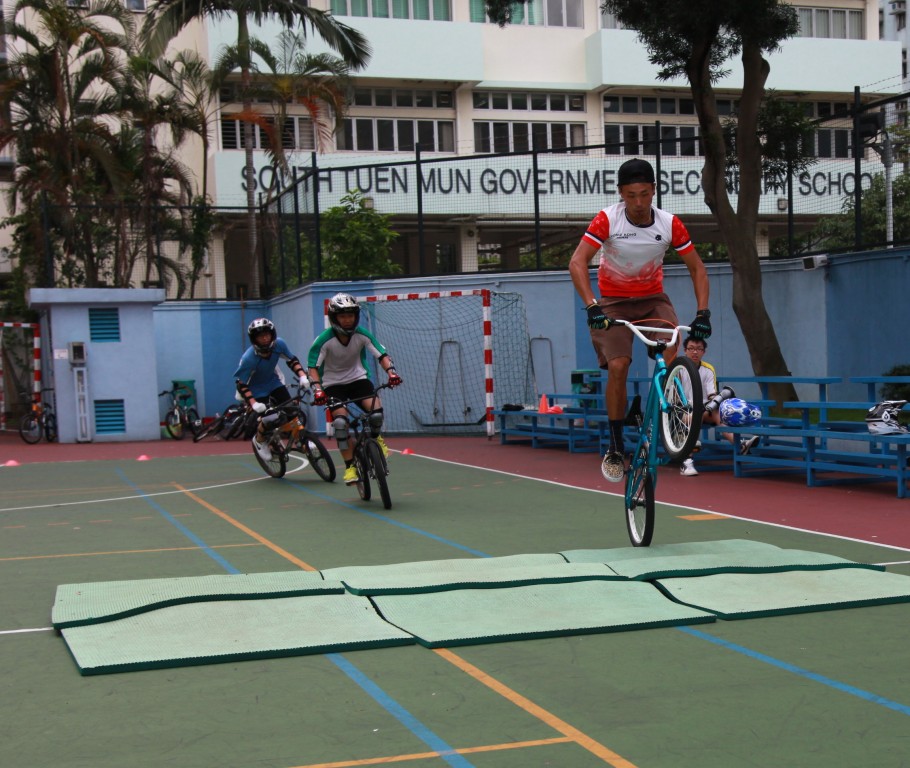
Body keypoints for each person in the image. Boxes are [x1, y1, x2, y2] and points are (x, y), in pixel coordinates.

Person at [569, 157, 711, 482]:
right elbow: (577, 262)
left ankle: (672, 419)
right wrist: (592, 306)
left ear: (654, 191)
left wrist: (703, 313)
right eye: (631, 195)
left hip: (653, 302)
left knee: (672, 353)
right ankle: (616, 444)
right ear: (621, 193)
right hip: (612, 304)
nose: (638, 203)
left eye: (644, 194)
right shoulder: (608, 219)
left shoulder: (669, 224)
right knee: (619, 366)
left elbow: (697, 268)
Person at [307, 293, 403, 485]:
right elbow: (312, 368)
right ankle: (350, 467)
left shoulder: (362, 334)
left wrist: (392, 373)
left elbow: (381, 354)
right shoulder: (323, 340)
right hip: (332, 385)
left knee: (376, 413)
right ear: (334, 318)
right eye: (342, 316)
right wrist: (317, 390)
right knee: (340, 424)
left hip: (358, 380)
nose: (347, 320)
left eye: (350, 315)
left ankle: (376, 439)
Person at [680, 336, 759, 476]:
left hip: (704, 410)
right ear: (685, 350)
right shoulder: (678, 368)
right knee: (696, 416)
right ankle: (687, 461)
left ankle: (740, 445)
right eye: (691, 348)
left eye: (699, 349)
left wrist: (716, 402)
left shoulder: (708, 369)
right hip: (681, 412)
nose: (695, 352)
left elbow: (712, 395)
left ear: (704, 352)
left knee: (721, 414)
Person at [234, 318, 310, 461]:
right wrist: (253, 403)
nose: (264, 338)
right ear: (254, 339)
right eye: (260, 336)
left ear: (272, 334)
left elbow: (291, 360)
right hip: (255, 389)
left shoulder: (279, 344)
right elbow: (241, 384)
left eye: (267, 334)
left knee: (291, 410)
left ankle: (299, 439)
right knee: (270, 419)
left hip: (273, 382)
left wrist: (302, 376)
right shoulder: (248, 358)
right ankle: (259, 440)